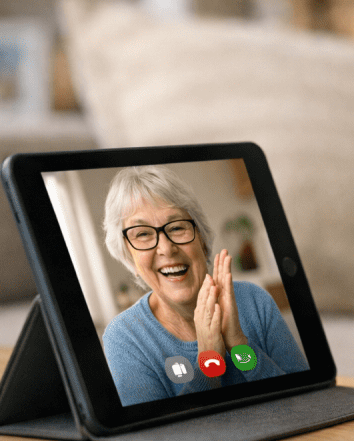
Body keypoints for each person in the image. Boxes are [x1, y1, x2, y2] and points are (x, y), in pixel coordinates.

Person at [102, 165, 307, 406]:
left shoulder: (254, 301)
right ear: (129, 257)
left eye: (177, 227)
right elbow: (161, 436)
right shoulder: (124, 337)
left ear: (202, 240)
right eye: (143, 234)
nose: (166, 248)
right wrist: (210, 363)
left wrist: (239, 346)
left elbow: (306, 400)